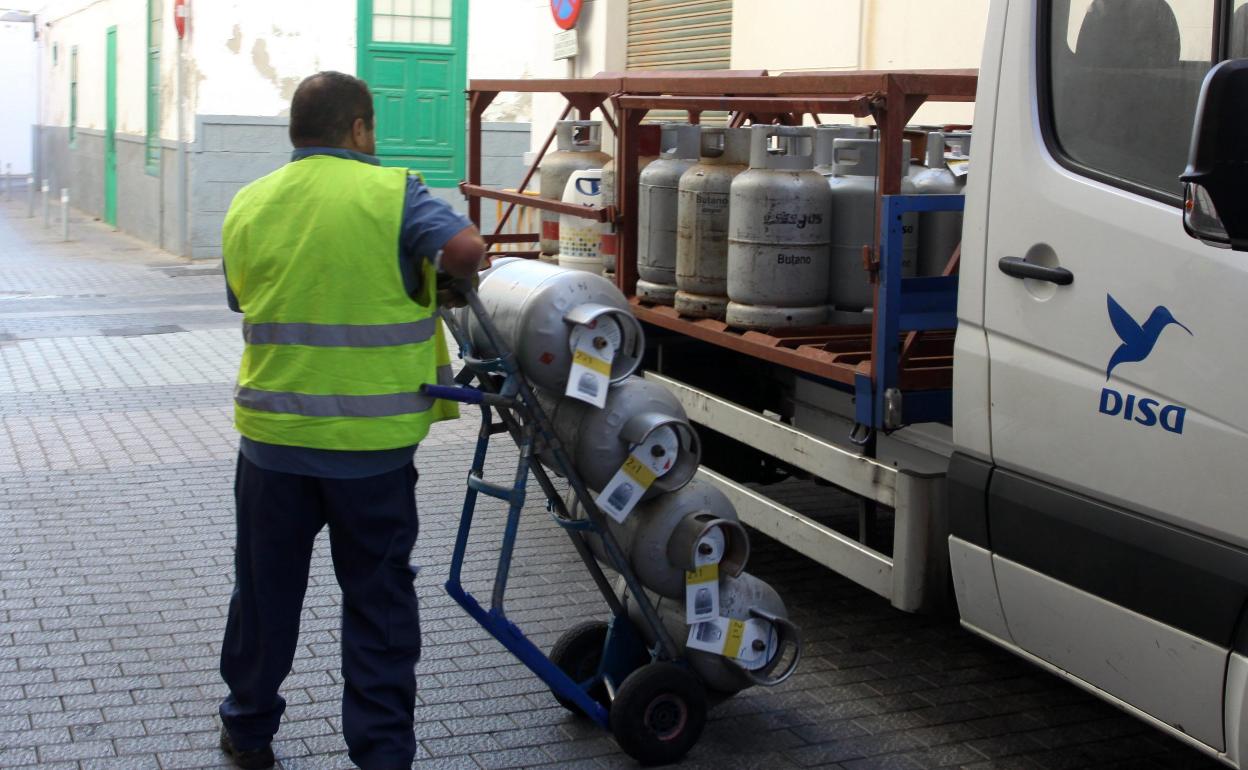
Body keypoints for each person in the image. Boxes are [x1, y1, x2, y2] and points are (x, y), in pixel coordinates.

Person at [216, 71, 485, 770]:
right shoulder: (392, 190)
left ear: (296, 134)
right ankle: (382, 753)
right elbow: (465, 253)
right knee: (379, 607)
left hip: (273, 448)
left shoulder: (249, 202)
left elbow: (240, 296)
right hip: (373, 454)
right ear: (360, 129)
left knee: (264, 596)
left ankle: (248, 731)